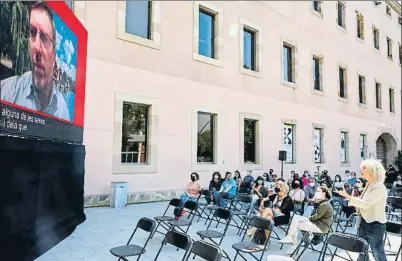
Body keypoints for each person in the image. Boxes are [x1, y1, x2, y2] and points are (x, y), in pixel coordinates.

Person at [1, 2, 70, 121]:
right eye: (32, 33)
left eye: (44, 38)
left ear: (54, 57)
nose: (36, 47)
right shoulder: (7, 91)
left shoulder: (62, 109)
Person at [335, 159, 388, 261]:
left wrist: (348, 196)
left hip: (375, 224)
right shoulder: (368, 185)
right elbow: (361, 201)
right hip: (364, 222)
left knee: (377, 253)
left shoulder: (379, 187)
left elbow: (366, 204)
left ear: (372, 171)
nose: (361, 171)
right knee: (362, 250)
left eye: (364, 169)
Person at [279, 186, 333, 255]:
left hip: (321, 227)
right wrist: (316, 201)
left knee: (295, 222)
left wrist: (307, 218)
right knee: (295, 221)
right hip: (317, 224)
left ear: (324, 193)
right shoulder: (322, 202)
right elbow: (315, 213)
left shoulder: (325, 204)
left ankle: (292, 243)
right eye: (316, 191)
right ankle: (291, 242)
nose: (316, 193)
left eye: (318, 191)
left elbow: (316, 216)